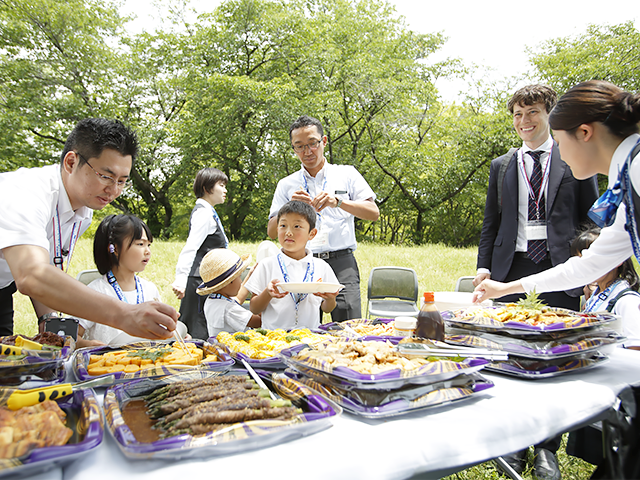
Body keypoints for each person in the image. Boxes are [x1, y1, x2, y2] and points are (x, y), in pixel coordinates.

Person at [0, 118, 177, 339]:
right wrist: (124, 315)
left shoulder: (83, 211)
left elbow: (47, 267)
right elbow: (32, 274)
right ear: (71, 162)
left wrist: (48, 321)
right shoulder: (25, 193)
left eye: (122, 181)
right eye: (106, 176)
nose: (113, 190)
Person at [473, 80, 640, 307]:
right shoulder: (629, 177)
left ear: (584, 132)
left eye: (560, 141)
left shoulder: (636, 171)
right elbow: (590, 264)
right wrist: (505, 289)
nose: (560, 155)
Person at [267, 115, 379, 322]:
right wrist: (288, 208)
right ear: (293, 149)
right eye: (299, 146)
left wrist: (339, 202)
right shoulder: (287, 184)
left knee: (348, 323)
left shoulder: (347, 174)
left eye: (312, 144)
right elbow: (272, 232)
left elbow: (373, 212)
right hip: (302, 262)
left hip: (341, 261)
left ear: (324, 141)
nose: (307, 152)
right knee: (302, 324)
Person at [248, 200, 340, 329]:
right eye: (283, 226)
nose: (288, 232)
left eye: (296, 226)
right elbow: (254, 308)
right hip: (273, 340)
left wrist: (330, 299)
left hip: (309, 338)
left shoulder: (321, 267)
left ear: (312, 234)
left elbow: (327, 309)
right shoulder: (267, 265)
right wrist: (268, 293)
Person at [78, 214, 161, 345]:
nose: (148, 251)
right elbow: (70, 337)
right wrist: (88, 345)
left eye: (149, 245)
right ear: (115, 248)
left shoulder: (150, 289)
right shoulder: (95, 292)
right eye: (140, 244)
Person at [172, 167, 229, 340]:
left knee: (202, 329)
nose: (225, 190)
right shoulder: (203, 214)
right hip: (198, 282)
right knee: (197, 332)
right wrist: (181, 280)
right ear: (207, 188)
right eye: (221, 185)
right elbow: (191, 248)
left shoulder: (208, 211)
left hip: (204, 280)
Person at [570, 227, 640, 345]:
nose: (584, 266)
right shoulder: (596, 295)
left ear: (617, 260)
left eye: (590, 259)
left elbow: (636, 347)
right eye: (580, 261)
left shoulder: (627, 301)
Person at [196, 248, 261, 339]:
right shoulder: (228, 309)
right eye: (239, 277)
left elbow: (238, 299)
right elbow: (258, 322)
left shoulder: (214, 300)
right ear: (228, 282)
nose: (240, 280)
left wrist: (251, 275)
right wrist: (261, 294)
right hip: (234, 351)